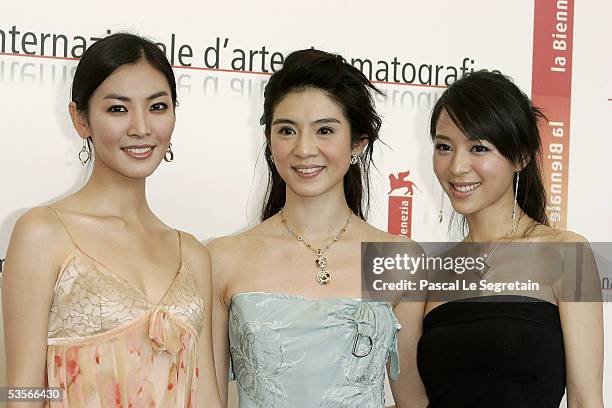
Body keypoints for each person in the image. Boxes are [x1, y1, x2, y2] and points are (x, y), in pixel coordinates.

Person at [2, 33, 222, 407]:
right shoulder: (43, 233)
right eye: (118, 109)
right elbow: (22, 391)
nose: (140, 127)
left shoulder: (193, 255)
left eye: (157, 107)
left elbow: (204, 397)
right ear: (80, 119)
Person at [209, 49, 427, 407]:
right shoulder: (222, 258)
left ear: (358, 142)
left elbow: (413, 401)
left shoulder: (399, 259)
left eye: (325, 130)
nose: (304, 149)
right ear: (269, 140)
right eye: (286, 130)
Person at [418, 70, 603, 407]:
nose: (457, 166)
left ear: (520, 156)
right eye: (444, 147)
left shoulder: (566, 255)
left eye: (478, 147)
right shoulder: (430, 273)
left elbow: (585, 399)